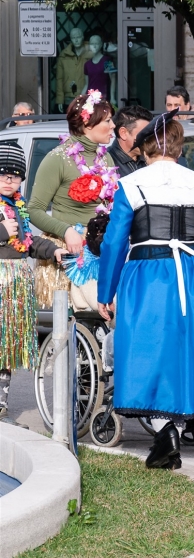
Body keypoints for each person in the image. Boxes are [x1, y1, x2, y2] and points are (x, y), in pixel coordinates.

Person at [96, 111, 194, 470]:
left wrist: (105, 290)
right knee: (190, 350)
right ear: (179, 145)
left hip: (150, 273)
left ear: (146, 147)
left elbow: (113, 243)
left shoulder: (132, 184)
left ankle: (164, 427)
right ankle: (178, 423)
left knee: (147, 348)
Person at [0, 142, 68, 427]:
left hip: (15, 282)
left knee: (7, 345)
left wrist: (51, 250)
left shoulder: (17, 205)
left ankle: (1, 401)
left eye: (15, 175)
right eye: (3, 174)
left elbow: (27, 241)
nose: (9, 180)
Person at [28, 90, 117, 309]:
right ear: (88, 124)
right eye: (107, 121)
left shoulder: (104, 156)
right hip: (73, 252)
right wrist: (66, 231)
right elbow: (34, 209)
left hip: (101, 248)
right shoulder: (57, 158)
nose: (113, 125)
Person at [107, 105, 153, 178]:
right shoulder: (106, 162)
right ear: (123, 133)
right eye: (144, 133)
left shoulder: (152, 158)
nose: (149, 138)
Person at [56, 27, 92, 113]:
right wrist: (60, 100)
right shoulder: (64, 56)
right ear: (70, 39)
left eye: (78, 37)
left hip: (88, 96)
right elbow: (59, 79)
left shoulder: (91, 53)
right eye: (73, 38)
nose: (76, 40)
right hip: (69, 97)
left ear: (83, 37)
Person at [81, 35, 116, 105]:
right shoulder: (87, 64)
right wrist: (80, 98)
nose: (94, 46)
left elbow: (113, 79)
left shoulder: (107, 61)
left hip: (104, 99)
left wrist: (112, 97)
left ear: (101, 45)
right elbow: (86, 84)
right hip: (90, 100)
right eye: (91, 44)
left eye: (96, 43)